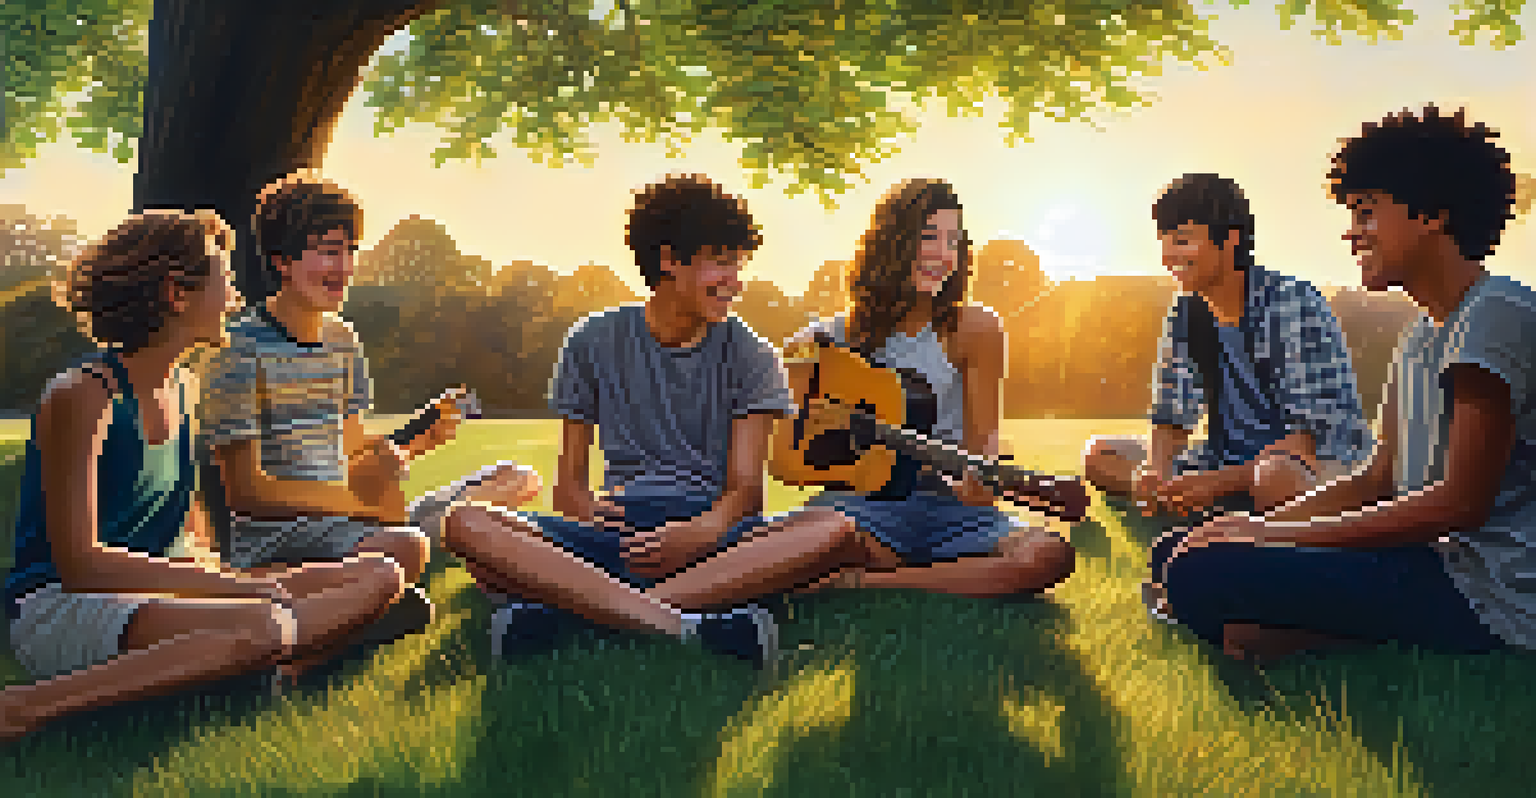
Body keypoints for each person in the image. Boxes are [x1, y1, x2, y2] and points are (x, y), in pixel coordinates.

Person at [0, 211, 408, 743]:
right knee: (262, 622)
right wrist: (235, 588)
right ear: (177, 293)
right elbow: (80, 564)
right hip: (64, 606)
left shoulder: (187, 389)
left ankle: (238, 672)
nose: (236, 298)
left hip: (164, 590)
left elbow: (187, 523)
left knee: (380, 575)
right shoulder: (83, 395)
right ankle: (25, 708)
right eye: (226, 279)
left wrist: (232, 576)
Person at [1158, 104, 1533, 662]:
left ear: (1431, 213)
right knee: (1186, 546)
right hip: (1429, 560)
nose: (1351, 232)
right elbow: (1377, 477)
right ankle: (1293, 633)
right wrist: (1255, 523)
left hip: (1489, 593)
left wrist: (1267, 539)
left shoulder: (1495, 313)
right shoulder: (1418, 338)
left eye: (1366, 213)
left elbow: (1460, 504)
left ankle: (1301, 632)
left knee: (1203, 569)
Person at [200, 172, 537, 653]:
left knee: (512, 478)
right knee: (406, 545)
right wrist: (364, 506)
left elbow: (350, 448)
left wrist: (420, 440)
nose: (344, 267)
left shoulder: (342, 341)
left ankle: (353, 608)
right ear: (282, 261)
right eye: (328, 251)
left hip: (348, 525)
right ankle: (322, 605)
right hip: (277, 541)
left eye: (349, 250)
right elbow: (248, 494)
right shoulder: (236, 349)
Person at [1079, 173, 1374, 615]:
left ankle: (1235, 509)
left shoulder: (1291, 302)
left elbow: (1307, 440)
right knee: (1100, 456)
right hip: (1227, 459)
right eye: (1164, 241)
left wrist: (1215, 483)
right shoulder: (1187, 309)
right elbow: (1172, 410)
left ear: (1230, 240)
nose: (1169, 256)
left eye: (1182, 240)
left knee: (1274, 478)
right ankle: (1219, 504)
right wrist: (1156, 470)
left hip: (1316, 466)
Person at [775, 177, 1076, 596]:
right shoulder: (826, 340)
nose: (942, 255)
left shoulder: (976, 329)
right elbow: (788, 452)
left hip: (947, 508)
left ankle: (864, 581)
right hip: (857, 508)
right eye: (929, 236)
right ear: (890, 242)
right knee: (820, 539)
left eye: (953, 241)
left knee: (1048, 555)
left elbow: (983, 437)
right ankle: (904, 568)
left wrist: (982, 476)